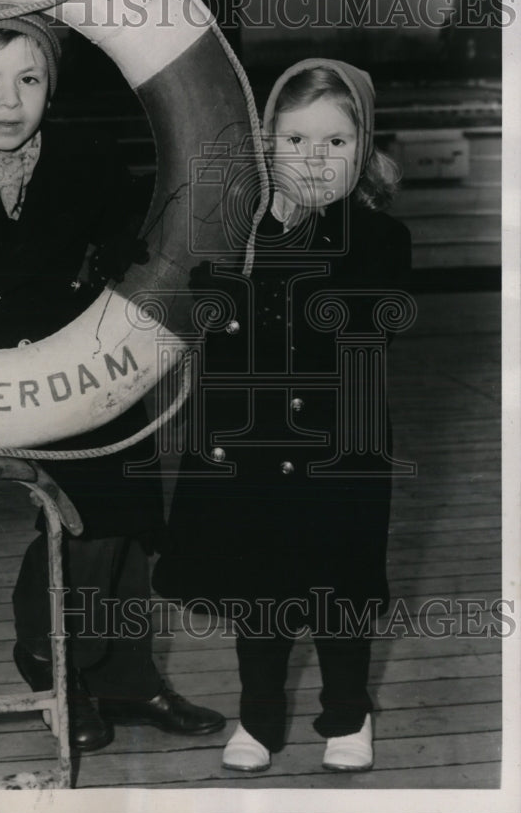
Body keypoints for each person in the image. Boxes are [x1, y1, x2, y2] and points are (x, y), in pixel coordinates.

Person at [0, 5, 225, 754]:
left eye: (29, 78)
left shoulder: (88, 158)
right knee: (88, 502)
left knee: (131, 493)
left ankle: (122, 671)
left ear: (50, 91)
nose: (9, 100)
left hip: (69, 362)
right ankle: (52, 658)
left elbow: (131, 248)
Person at [152, 59, 411, 773]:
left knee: (340, 591)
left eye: (335, 142)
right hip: (251, 451)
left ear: (363, 150)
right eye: (295, 141)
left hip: (340, 454)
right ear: (267, 146)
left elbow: (357, 327)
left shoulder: (381, 240)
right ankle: (259, 719)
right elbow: (207, 318)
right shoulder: (236, 231)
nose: (314, 159)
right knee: (257, 595)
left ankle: (347, 714)